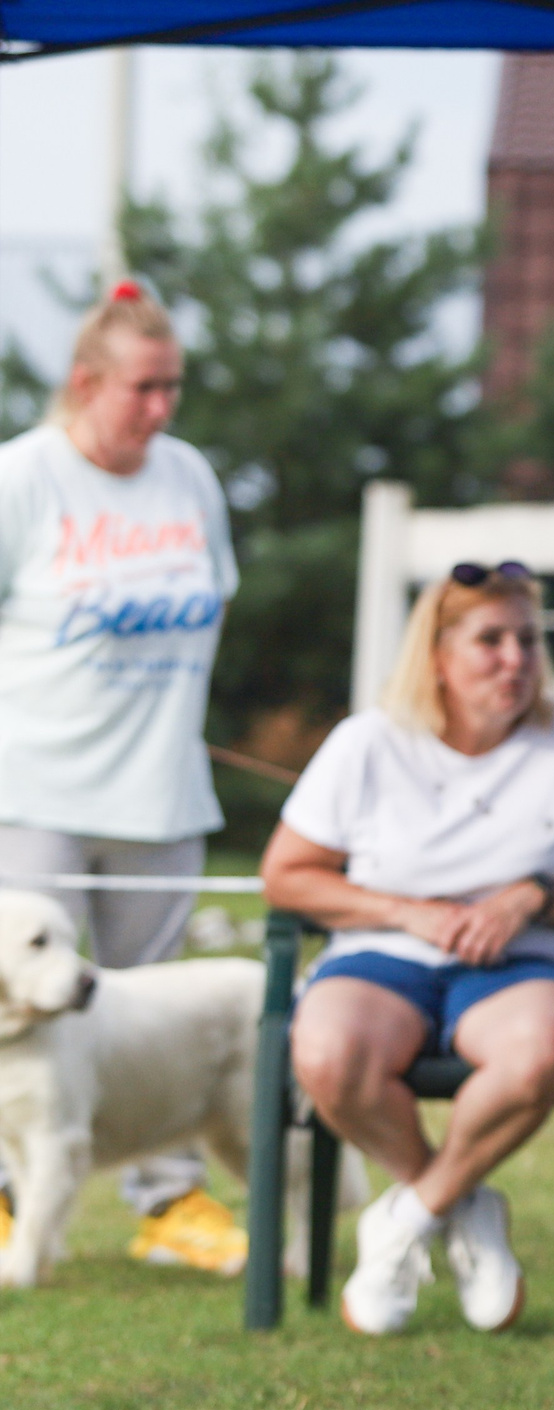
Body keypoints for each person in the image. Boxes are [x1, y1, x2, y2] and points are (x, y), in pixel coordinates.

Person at [262, 563, 554, 1336]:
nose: (516, 658)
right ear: (437, 654)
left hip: (528, 964)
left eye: (528, 639)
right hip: (383, 956)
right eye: (491, 640)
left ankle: (406, 1220)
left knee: (543, 1047)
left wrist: (533, 895)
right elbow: (286, 876)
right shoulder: (369, 743)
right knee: (326, 1052)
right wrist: (403, 912)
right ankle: (462, 1205)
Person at [0, 281, 250, 1276]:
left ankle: (169, 1201)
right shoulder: (26, 475)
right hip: (38, 789)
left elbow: (211, 602)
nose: (161, 408)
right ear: (86, 382)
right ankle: (11, 1201)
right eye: (143, 388)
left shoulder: (188, 477)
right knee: (21, 1003)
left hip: (159, 791)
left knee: (155, 1017)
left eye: (173, 387)